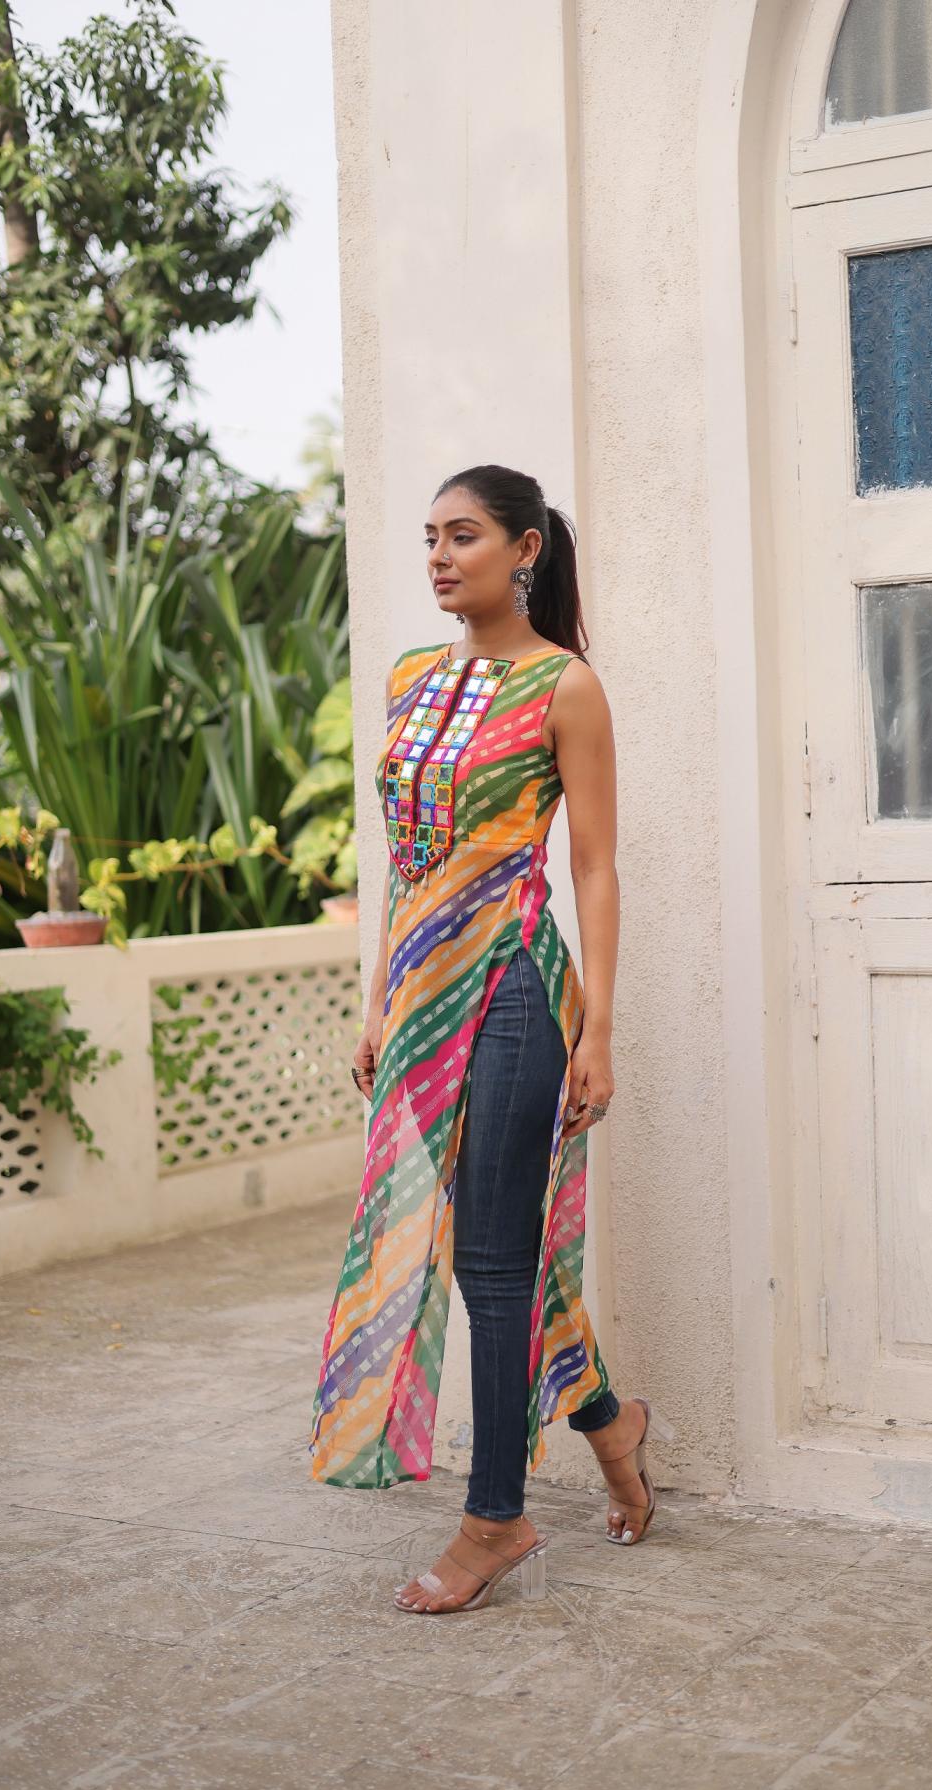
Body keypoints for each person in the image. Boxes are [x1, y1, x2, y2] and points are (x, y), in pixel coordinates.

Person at [308, 463, 675, 1614]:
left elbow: (596, 867)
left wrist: (599, 1028)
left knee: (496, 1260)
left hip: (515, 991)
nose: (438, 555)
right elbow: (403, 860)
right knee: (481, 1248)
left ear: (525, 550)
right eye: (430, 536)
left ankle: (495, 1517)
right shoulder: (410, 678)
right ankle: (613, 1429)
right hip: (420, 997)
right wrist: (381, 999)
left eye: (462, 535)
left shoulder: (566, 686)